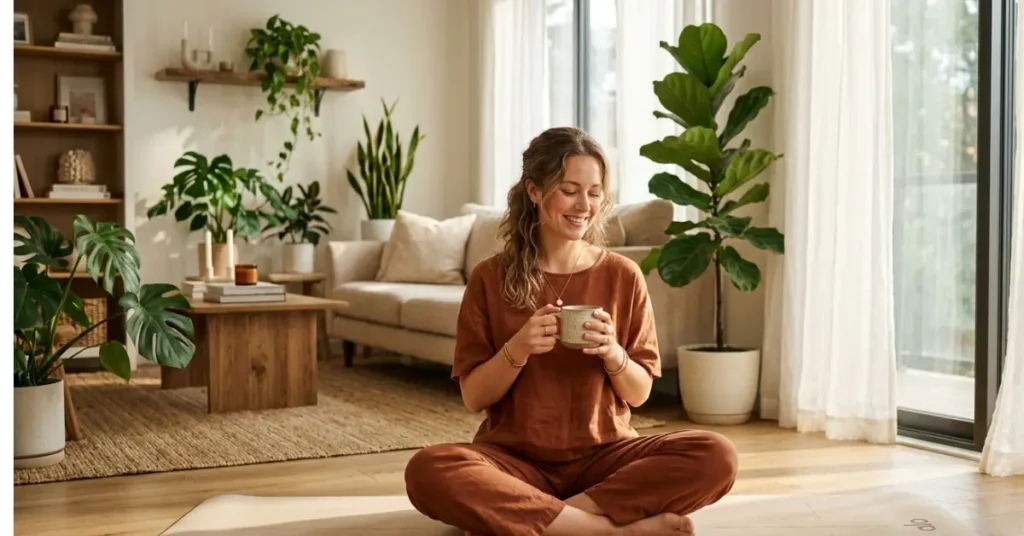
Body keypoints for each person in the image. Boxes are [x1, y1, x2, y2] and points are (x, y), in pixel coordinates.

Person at [404, 127, 737, 535]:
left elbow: (639, 393)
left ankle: (545, 519)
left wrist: (614, 354)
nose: (585, 205)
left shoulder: (623, 275)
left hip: (607, 459)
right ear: (535, 191)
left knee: (716, 455)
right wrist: (518, 348)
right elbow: (474, 397)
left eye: (595, 192)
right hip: (514, 461)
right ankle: (610, 531)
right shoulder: (490, 278)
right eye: (570, 189)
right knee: (429, 470)